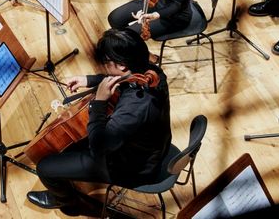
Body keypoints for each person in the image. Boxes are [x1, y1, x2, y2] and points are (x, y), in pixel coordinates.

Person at [26, 28, 171, 217]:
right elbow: (123, 79)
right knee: (70, 144)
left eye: (106, 64)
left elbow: (98, 147)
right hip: (152, 147)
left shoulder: (134, 109)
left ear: (121, 66)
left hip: (133, 167)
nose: (104, 68)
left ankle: (69, 203)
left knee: (45, 168)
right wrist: (90, 80)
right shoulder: (151, 72)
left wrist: (99, 103)